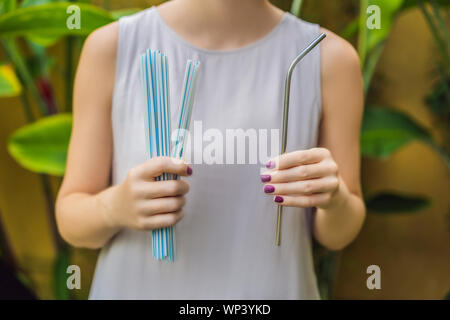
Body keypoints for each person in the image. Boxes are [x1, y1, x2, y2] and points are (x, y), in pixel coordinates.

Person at [55, 0, 366, 299]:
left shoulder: (329, 58)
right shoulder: (112, 47)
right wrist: (114, 207)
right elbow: (72, 218)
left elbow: (339, 232)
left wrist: (334, 198)